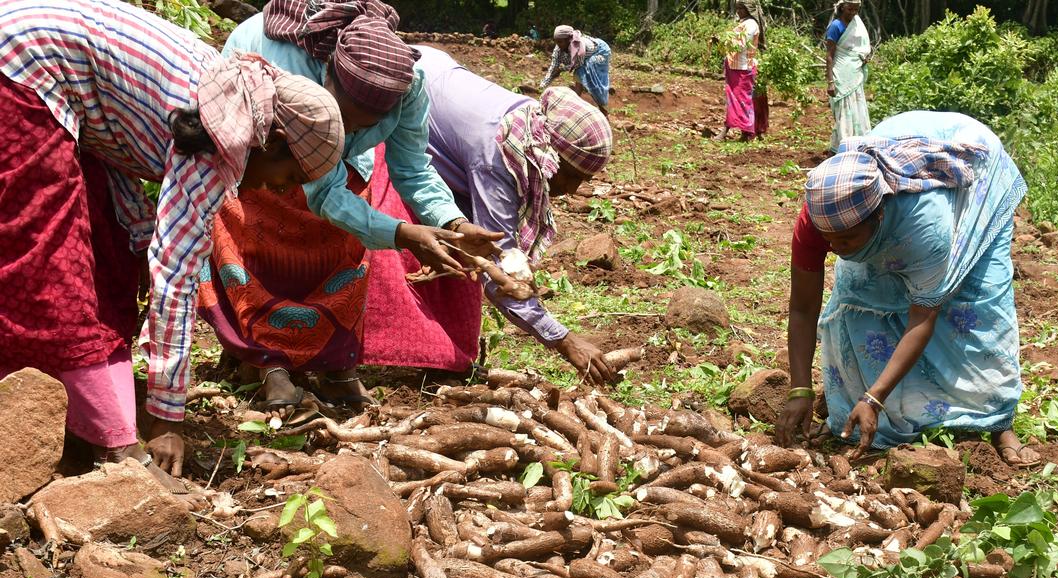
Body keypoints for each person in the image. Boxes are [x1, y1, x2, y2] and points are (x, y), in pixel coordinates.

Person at [0, 0, 345, 475]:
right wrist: (167, 417)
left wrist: (137, 238)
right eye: (287, 174)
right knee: (49, 264)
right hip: (22, 64)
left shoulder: (235, 97)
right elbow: (176, 277)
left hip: (47, 70)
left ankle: (77, 413)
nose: (279, 190)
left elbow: (118, 143)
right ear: (273, 140)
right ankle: (109, 436)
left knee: (110, 255)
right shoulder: (221, 134)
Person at [199, 0, 502, 412]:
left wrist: (455, 222)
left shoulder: (408, 85)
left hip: (334, 166)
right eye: (347, 118)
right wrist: (404, 234)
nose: (354, 131)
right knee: (257, 236)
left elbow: (412, 168)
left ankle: (335, 367)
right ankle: (270, 365)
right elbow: (322, 193)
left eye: (366, 126)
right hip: (268, 147)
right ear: (328, 81)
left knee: (343, 244)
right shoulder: (285, 72)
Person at [775, 111, 1037, 467]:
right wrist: (800, 388)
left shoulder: (925, 225)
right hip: (898, 161)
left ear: (878, 216)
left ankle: (995, 420)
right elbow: (803, 307)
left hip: (978, 177)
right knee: (855, 297)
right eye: (828, 240)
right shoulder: (819, 218)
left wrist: (874, 398)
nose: (835, 248)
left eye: (847, 238)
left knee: (972, 305)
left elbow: (923, 316)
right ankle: (862, 413)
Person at [363, 48, 617, 384]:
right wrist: (565, 341)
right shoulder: (496, 156)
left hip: (434, 78)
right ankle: (383, 355)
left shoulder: (530, 127)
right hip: (402, 105)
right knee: (414, 245)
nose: (571, 190)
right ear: (550, 156)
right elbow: (497, 271)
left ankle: (443, 357)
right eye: (571, 176)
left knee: (468, 242)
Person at [825, 0, 872, 152]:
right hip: (841, 73)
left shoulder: (857, 24)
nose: (853, 12)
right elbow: (830, 55)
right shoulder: (836, 26)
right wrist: (830, 81)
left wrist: (864, 57)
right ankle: (844, 146)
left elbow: (860, 48)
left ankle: (857, 146)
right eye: (850, 8)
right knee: (844, 111)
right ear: (842, 7)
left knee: (858, 110)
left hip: (855, 72)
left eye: (856, 9)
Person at [717, 0, 767, 141]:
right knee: (737, 99)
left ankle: (747, 132)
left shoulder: (750, 25)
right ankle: (746, 131)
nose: (738, 11)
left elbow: (740, 45)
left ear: (749, 10)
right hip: (737, 66)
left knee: (742, 100)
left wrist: (723, 42)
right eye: (738, 8)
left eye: (742, 8)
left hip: (743, 68)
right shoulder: (744, 23)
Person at [540, 25, 612, 116]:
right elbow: (553, 67)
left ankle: (603, 110)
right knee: (579, 74)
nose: (558, 45)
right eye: (556, 42)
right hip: (584, 58)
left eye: (560, 42)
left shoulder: (579, 48)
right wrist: (542, 85)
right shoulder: (558, 49)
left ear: (568, 39)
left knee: (590, 78)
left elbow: (577, 64)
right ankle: (574, 105)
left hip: (600, 51)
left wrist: (561, 69)